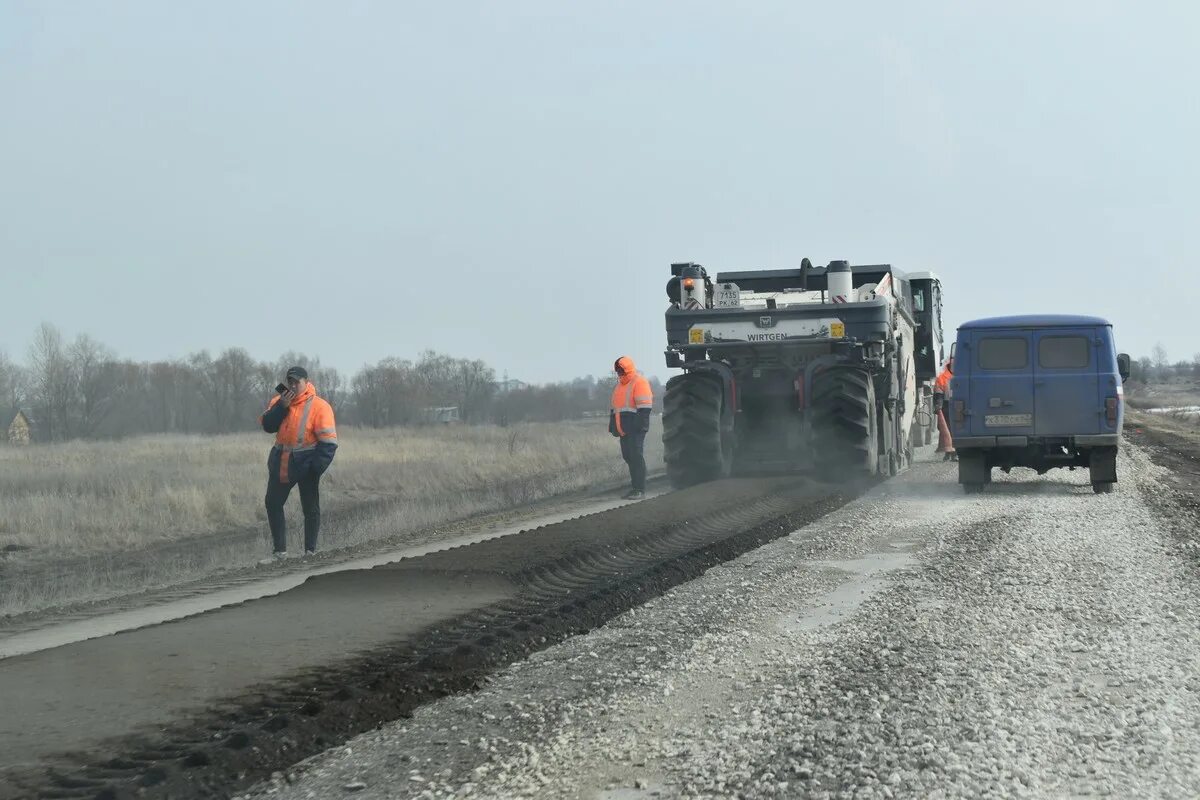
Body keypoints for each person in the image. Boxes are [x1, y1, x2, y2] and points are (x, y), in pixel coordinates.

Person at [258, 366, 338, 561]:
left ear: (306, 382)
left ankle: (310, 552)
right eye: (290, 381)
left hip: (307, 461)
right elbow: (268, 426)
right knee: (272, 502)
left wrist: (315, 469)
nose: (293, 385)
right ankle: (280, 553)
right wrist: (281, 407)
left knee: (310, 507)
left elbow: (329, 444)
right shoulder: (279, 401)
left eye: (297, 382)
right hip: (282, 460)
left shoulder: (320, 406)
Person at [609, 356, 654, 499]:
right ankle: (635, 487)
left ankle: (639, 489)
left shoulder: (639, 382)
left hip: (635, 428)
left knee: (636, 456)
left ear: (627, 368)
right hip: (623, 429)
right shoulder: (619, 386)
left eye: (621, 369)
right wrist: (613, 425)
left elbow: (645, 407)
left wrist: (638, 426)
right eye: (617, 370)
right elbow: (615, 408)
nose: (618, 372)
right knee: (628, 456)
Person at [934, 357, 956, 461]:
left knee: (953, 430)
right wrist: (939, 406)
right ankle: (949, 452)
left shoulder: (959, 376)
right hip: (947, 406)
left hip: (957, 405)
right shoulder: (942, 378)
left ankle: (952, 452)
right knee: (947, 430)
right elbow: (939, 394)